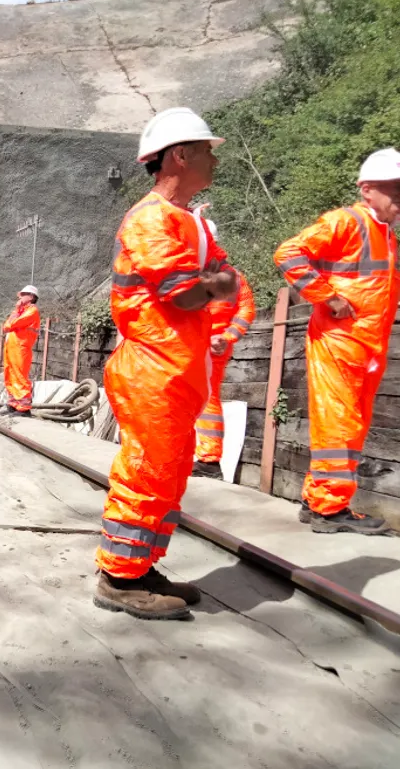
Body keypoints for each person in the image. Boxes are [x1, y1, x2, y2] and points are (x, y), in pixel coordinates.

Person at [96, 107, 238, 621]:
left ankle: (142, 565)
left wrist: (214, 283)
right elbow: (186, 294)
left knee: (170, 474)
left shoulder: (192, 225)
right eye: (206, 150)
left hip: (177, 370)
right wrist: (211, 284)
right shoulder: (151, 219)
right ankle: (118, 577)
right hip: (152, 370)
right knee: (147, 472)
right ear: (180, 155)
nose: (213, 159)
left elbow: (227, 280)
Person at [273, 147, 400, 535]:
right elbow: (288, 253)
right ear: (367, 190)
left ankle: (320, 500)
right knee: (340, 423)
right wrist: (326, 298)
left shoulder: (386, 236)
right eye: (394, 192)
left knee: (351, 423)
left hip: (365, 344)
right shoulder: (345, 222)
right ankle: (329, 509)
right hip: (339, 341)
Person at [192, 217, 256, 479]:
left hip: (201, 347)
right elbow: (246, 310)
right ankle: (204, 458)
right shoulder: (234, 277)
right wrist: (228, 337)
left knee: (201, 399)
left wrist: (225, 336)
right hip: (211, 346)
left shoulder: (192, 274)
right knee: (205, 398)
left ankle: (207, 460)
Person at [1, 285, 41, 416]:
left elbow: (11, 324)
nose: (20, 297)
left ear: (31, 297)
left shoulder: (32, 311)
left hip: (20, 348)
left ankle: (24, 407)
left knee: (19, 375)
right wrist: (16, 310)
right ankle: (13, 403)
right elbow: (6, 326)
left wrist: (11, 322)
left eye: (24, 294)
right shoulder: (20, 310)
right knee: (10, 374)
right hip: (12, 347)